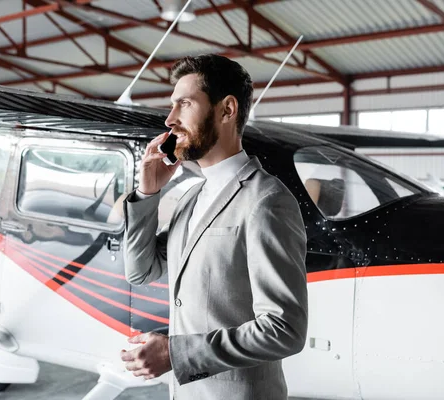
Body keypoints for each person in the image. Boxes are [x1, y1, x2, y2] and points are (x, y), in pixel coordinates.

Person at [120, 54, 308, 400]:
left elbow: (284, 330)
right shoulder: (192, 197)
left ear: (227, 110)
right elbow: (139, 270)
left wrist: (176, 353)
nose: (170, 119)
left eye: (184, 104)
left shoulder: (267, 201)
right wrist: (148, 192)